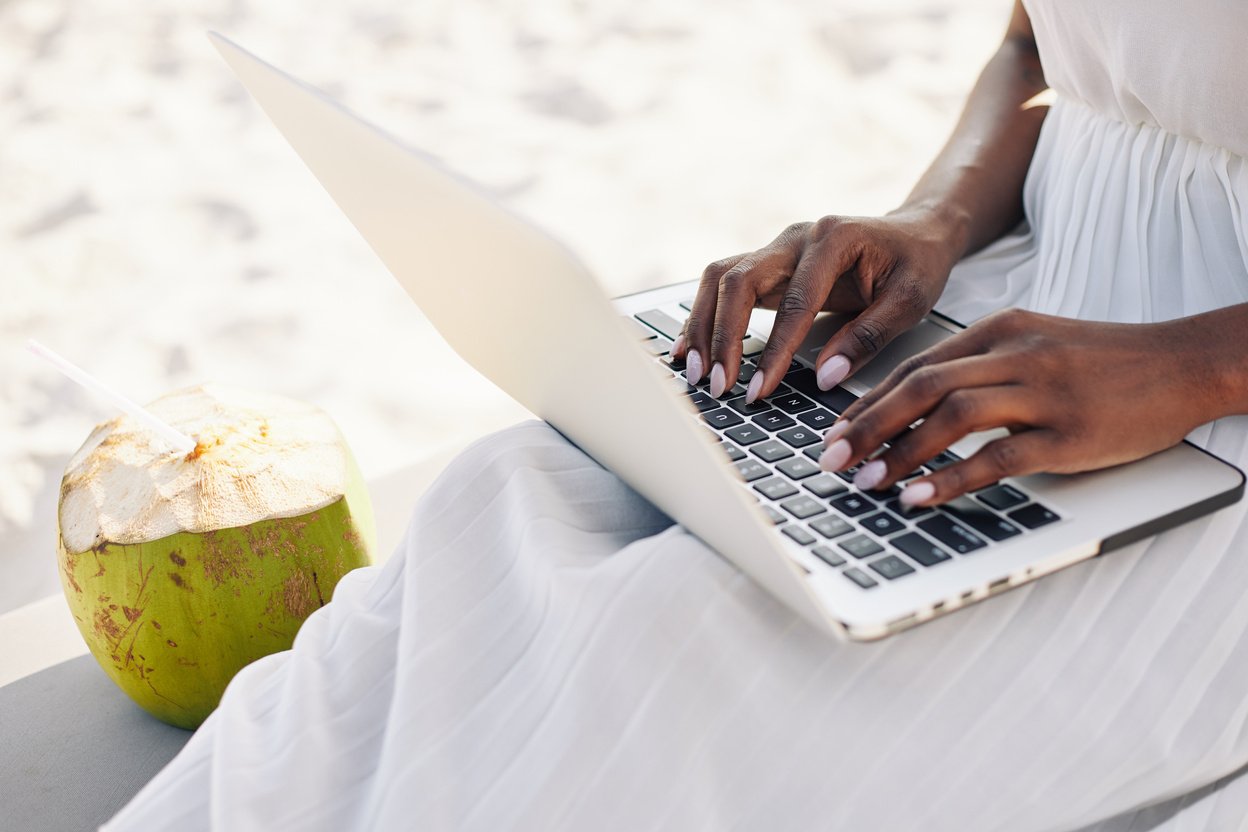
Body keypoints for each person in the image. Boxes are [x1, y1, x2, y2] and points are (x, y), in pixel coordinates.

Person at [105, 1, 1248, 830]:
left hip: (1213, 395)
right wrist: (932, 222)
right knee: (511, 498)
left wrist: (1192, 362)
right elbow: (1033, 47)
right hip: (1021, 290)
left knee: (675, 647)